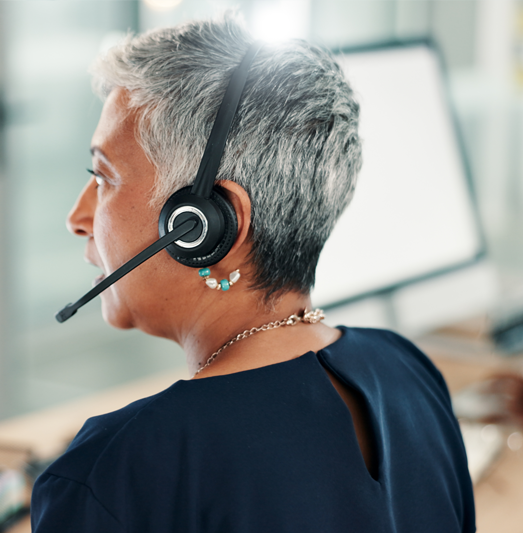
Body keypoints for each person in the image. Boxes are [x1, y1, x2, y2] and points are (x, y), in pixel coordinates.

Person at [31, 11, 474, 533]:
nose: (77, 216)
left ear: (205, 226)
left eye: (104, 177)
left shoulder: (121, 472)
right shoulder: (408, 371)